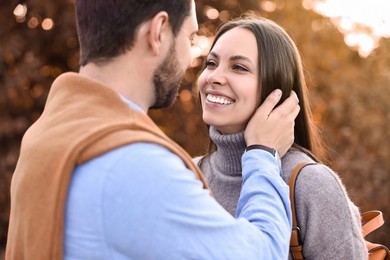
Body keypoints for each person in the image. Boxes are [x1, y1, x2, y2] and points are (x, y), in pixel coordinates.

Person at [5, 1, 301, 259]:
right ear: (158, 31)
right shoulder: (134, 163)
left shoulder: (48, 133)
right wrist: (263, 153)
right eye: (190, 36)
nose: (190, 60)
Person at [196, 17, 367, 259]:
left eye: (239, 67)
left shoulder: (312, 185)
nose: (214, 76)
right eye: (211, 63)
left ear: (276, 89)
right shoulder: (187, 174)